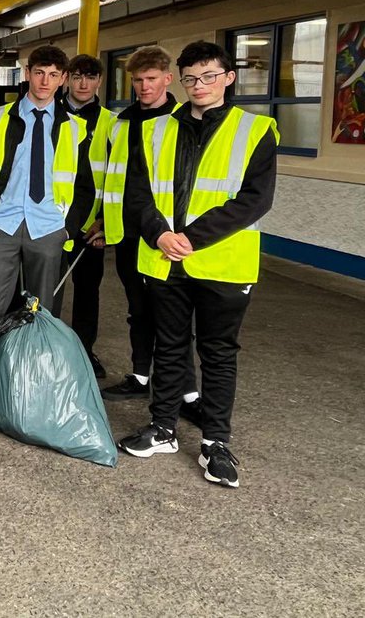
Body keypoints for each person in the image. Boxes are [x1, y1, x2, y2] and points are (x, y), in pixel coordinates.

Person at [119, 41, 277, 488]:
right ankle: (164, 428)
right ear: (181, 81)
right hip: (165, 259)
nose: (199, 85)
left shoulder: (257, 130)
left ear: (228, 77)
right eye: (191, 78)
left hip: (224, 264)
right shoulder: (156, 130)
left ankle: (215, 443)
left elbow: (255, 200)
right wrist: (160, 234)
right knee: (168, 347)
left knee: (218, 353)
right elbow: (138, 193)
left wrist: (192, 237)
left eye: (209, 76)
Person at [100, 46, 198, 412]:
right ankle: (141, 377)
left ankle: (187, 394)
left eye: (151, 79)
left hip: (167, 232)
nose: (144, 87)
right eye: (138, 80)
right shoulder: (120, 122)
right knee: (138, 309)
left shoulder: (184, 120)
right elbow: (111, 176)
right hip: (127, 229)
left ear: (167, 79)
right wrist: (101, 221)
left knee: (172, 314)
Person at [0, 45, 91, 323]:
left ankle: (34, 366)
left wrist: (68, 229)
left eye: (53, 75)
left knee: (43, 313)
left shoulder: (75, 127)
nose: (44, 81)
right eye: (39, 73)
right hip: (2, 223)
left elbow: (86, 185)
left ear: (63, 79)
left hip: (49, 226)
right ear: (27, 73)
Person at [52, 54, 115, 378]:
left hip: (91, 225)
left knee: (87, 291)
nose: (83, 83)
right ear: (67, 79)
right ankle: (42, 348)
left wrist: (104, 220)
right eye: (77, 76)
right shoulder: (49, 115)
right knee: (45, 288)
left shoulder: (111, 123)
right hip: (52, 220)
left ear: (99, 81)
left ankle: (83, 351)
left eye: (90, 77)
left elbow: (116, 176)